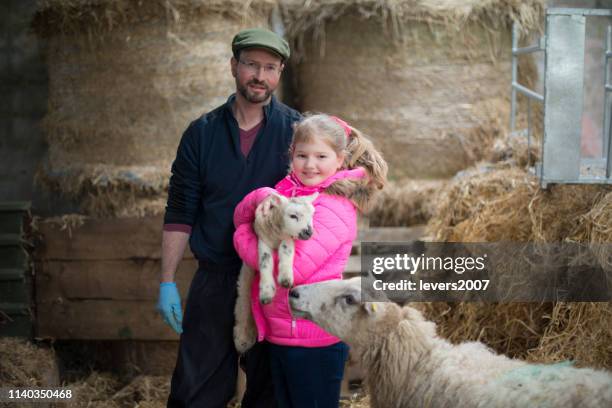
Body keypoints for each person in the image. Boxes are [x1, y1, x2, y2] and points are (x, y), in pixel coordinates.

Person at [157, 28, 302, 407]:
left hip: (270, 281)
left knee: (271, 393)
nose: (260, 75)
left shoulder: (295, 132)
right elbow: (180, 210)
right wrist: (167, 281)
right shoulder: (200, 134)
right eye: (251, 64)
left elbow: (317, 192)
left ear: (280, 73)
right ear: (234, 66)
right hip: (215, 278)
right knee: (194, 393)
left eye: (270, 67)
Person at [232, 113, 388, 408]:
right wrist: (258, 197)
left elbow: (292, 270)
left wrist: (241, 237)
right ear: (291, 154)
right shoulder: (285, 191)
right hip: (277, 331)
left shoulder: (334, 207)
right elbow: (241, 216)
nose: (310, 164)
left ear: (340, 159)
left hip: (311, 336)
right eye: (302, 155)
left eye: (321, 156)